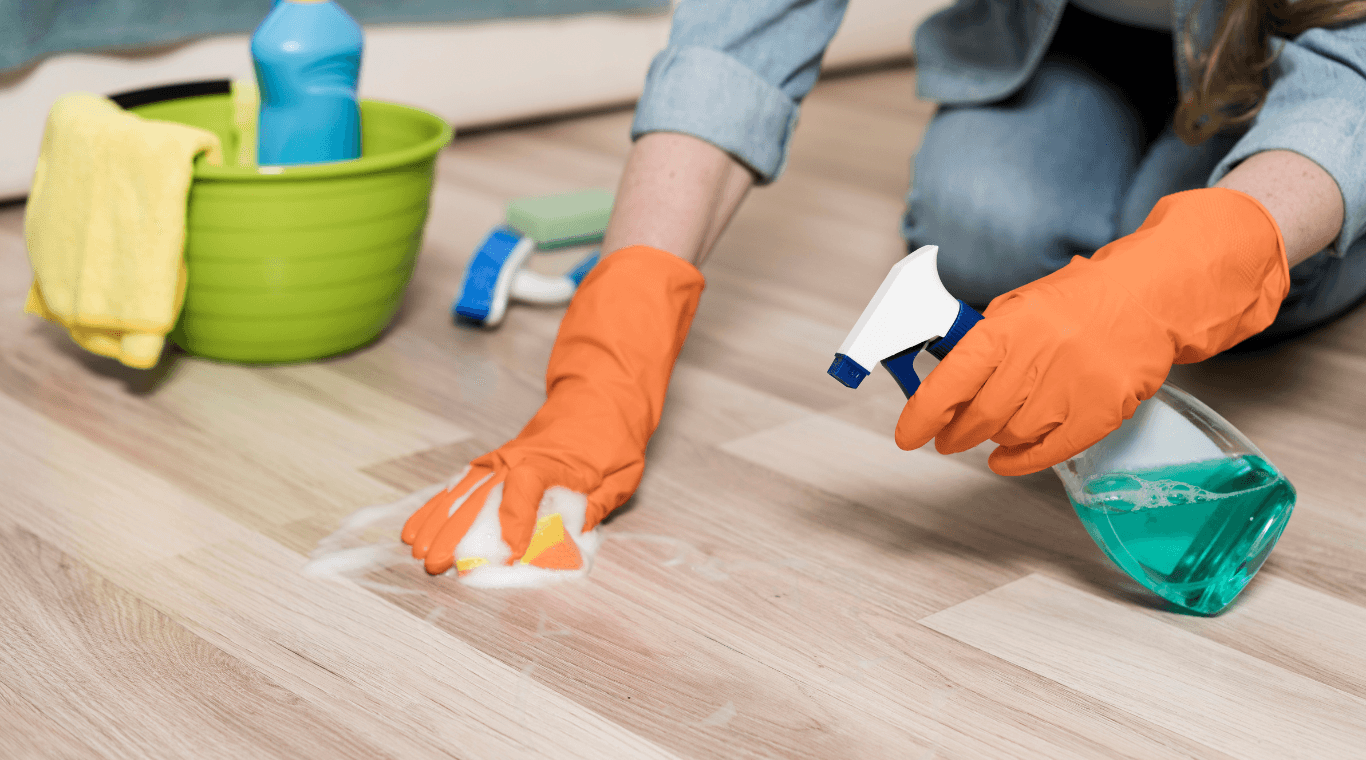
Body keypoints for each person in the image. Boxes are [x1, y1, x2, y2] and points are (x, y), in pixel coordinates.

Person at [403, 0, 1366, 575]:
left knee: (1241, 274)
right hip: (1068, 32)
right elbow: (744, 34)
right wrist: (614, 336)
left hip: (1309, 39)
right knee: (986, 225)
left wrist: (1209, 254)